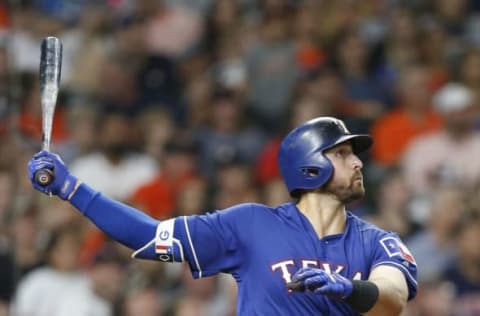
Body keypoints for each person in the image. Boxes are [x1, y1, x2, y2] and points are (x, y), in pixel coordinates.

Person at [27, 116, 417, 315]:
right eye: (344, 154)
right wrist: (71, 188)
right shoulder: (250, 224)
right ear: (310, 166)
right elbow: (149, 236)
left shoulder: (377, 241)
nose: (358, 163)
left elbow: (394, 297)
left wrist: (349, 288)